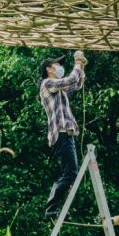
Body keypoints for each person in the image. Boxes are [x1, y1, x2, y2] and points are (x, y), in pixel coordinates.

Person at [39, 50, 86, 219]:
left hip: (66, 133)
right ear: (49, 69)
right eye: (57, 64)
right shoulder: (47, 84)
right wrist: (77, 63)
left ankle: (53, 207)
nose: (60, 67)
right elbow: (71, 78)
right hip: (61, 133)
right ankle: (51, 207)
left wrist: (81, 67)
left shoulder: (58, 89)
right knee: (71, 172)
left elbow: (76, 84)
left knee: (70, 172)